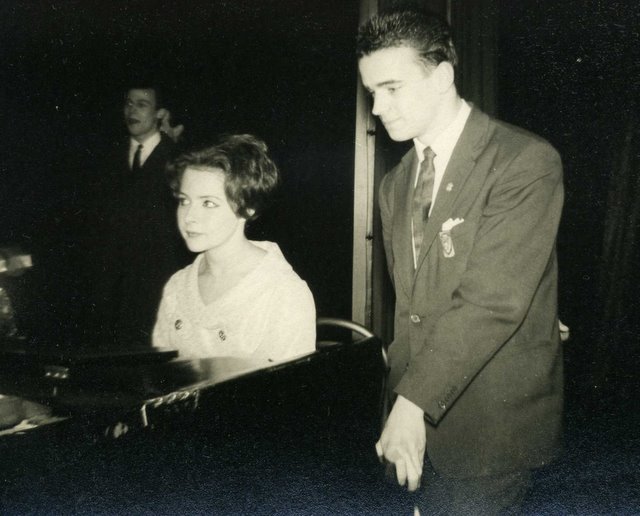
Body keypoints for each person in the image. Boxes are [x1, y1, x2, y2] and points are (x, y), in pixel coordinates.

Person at [357, 9, 564, 514]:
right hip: (413, 426)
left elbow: (491, 302)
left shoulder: (523, 161)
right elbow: (412, 308)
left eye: (391, 88)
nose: (377, 108)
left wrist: (411, 403)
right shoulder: (394, 182)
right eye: (371, 93)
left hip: (490, 435)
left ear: (443, 75)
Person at [152, 134, 316, 362]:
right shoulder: (177, 286)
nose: (189, 216)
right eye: (184, 200)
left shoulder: (282, 292)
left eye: (208, 203)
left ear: (248, 208)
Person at [86, 83, 190, 348]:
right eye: (128, 103)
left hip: (159, 285)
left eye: (142, 104)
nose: (132, 110)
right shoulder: (106, 156)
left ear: (160, 114)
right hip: (112, 291)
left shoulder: (179, 158)